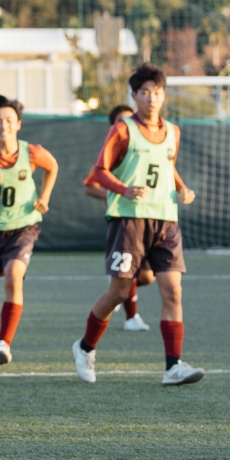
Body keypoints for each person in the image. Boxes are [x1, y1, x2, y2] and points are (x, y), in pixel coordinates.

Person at [71, 63, 204, 386]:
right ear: (134, 96)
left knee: (173, 290)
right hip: (129, 220)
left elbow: (167, 166)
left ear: (164, 95)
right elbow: (99, 171)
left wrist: (182, 188)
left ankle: (173, 366)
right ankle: (85, 347)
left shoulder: (173, 131)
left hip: (166, 220)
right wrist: (124, 189)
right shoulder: (122, 130)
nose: (151, 98)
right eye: (144, 92)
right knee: (118, 292)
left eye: (156, 92)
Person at [0, 94, 59, 364]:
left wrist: (44, 197)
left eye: (8, 120)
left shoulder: (31, 152)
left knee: (15, 277)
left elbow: (52, 167)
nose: (3, 125)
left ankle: (3, 344)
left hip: (22, 228)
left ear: (18, 124)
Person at [84, 104, 154, 332]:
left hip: (149, 218)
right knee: (128, 273)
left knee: (148, 276)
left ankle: (115, 292)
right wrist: (118, 192)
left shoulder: (145, 150)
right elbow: (90, 185)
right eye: (121, 121)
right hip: (123, 220)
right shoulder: (112, 153)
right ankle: (131, 317)